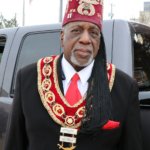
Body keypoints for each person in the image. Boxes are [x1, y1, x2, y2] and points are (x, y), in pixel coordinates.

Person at [4, 0, 142, 150]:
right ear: (62, 36)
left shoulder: (123, 87)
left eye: (93, 32)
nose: (85, 39)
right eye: (77, 30)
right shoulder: (28, 79)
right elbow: (14, 143)